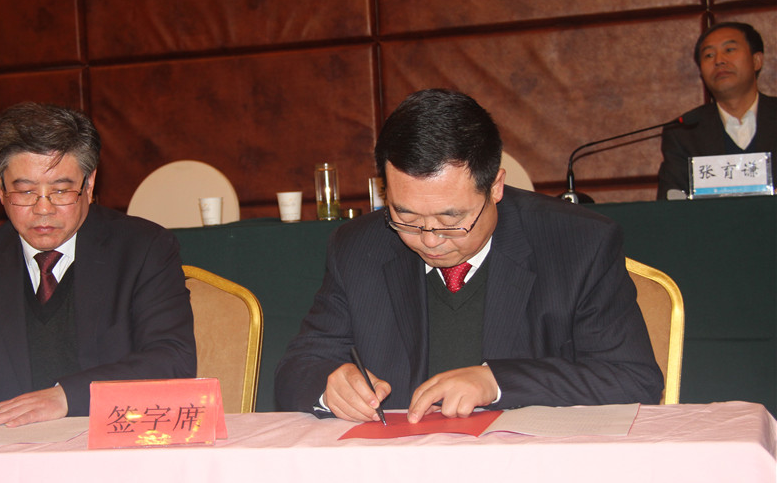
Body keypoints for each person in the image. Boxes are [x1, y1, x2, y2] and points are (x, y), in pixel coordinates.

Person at [275, 89, 663, 423]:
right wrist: (330, 386)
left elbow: (631, 378)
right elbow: (297, 369)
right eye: (406, 217)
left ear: (495, 186)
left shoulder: (578, 244)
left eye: (451, 219)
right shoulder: (359, 247)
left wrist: (496, 382)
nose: (430, 239)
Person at [0, 102, 196, 427]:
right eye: (26, 191)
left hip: (112, 442)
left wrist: (66, 397)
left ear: (89, 183)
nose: (43, 209)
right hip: (12, 450)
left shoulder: (143, 249)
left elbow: (172, 359)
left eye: (61, 190)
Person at [657, 21, 776, 199]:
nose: (719, 60)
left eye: (729, 50)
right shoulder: (684, 132)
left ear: (756, 60)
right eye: (709, 55)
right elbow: (670, 204)